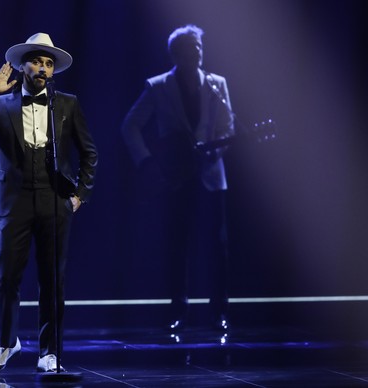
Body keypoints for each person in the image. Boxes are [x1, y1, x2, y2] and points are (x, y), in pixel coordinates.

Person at [0, 32, 98, 374]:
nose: (42, 68)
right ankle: (8, 343)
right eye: (36, 61)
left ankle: (49, 351)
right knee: (7, 276)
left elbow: (89, 152)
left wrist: (80, 193)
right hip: (14, 200)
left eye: (48, 64)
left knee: (53, 279)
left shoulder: (66, 103)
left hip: (54, 200)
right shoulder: (2, 105)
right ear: (22, 66)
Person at [121, 24, 234, 332]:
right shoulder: (158, 86)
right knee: (178, 245)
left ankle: (219, 311)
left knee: (218, 246)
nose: (196, 53)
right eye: (189, 49)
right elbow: (130, 125)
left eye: (198, 48)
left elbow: (227, 126)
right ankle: (178, 311)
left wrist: (214, 152)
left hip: (211, 176)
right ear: (176, 53)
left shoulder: (216, 84)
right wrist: (147, 162)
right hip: (176, 177)